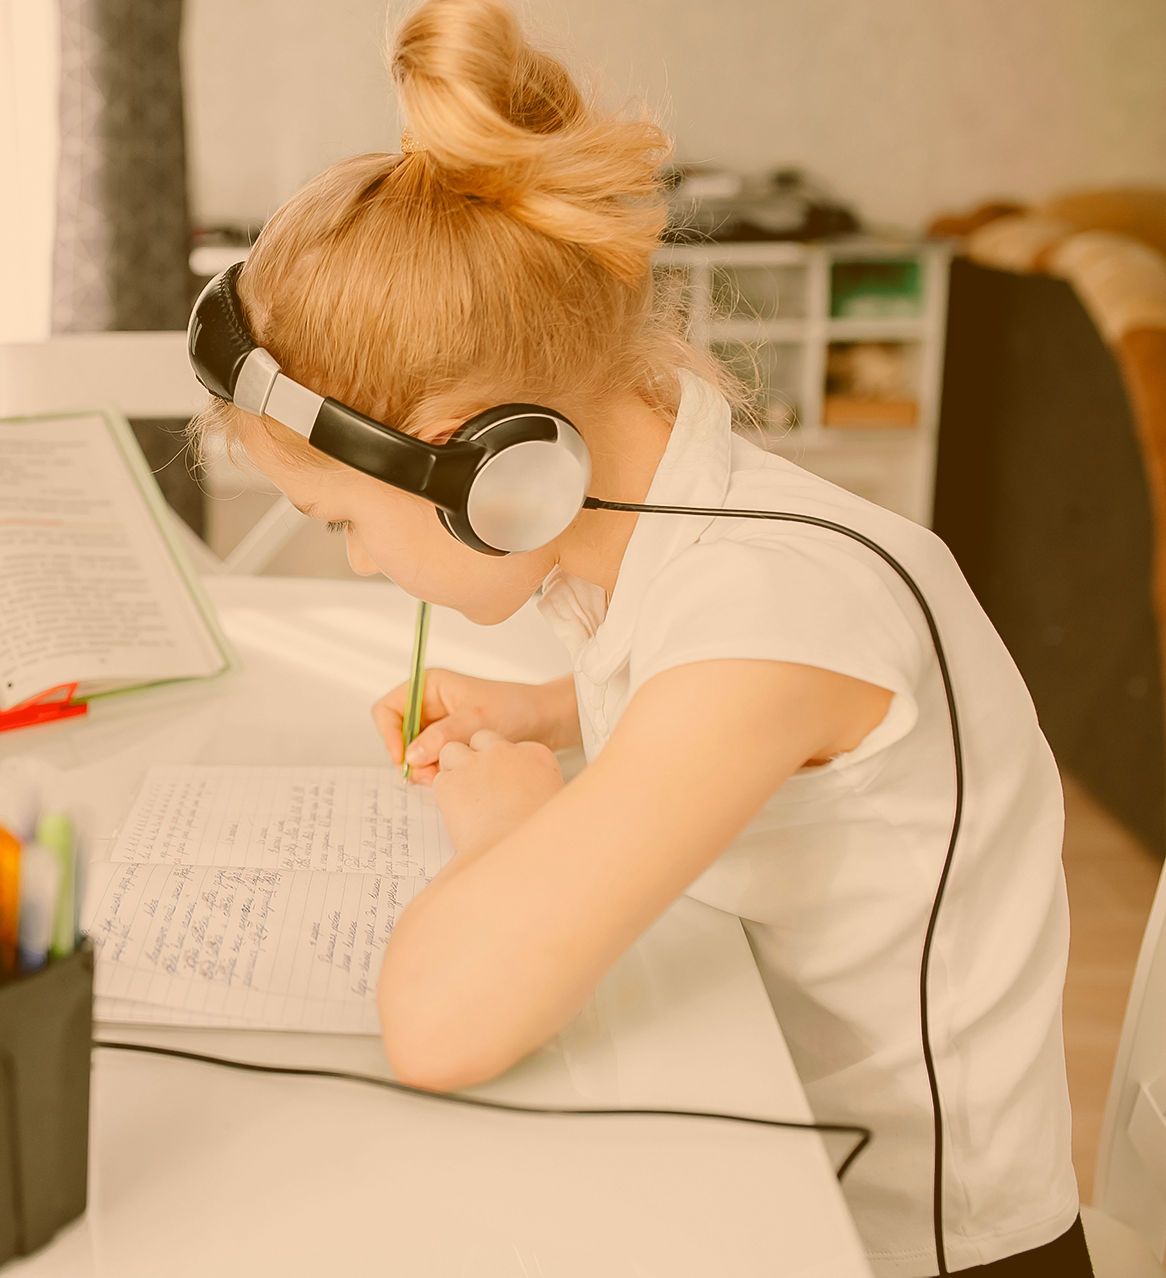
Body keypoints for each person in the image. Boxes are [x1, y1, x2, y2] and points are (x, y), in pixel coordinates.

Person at [192, 2, 1081, 1274]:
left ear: (474, 459)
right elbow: (737, 718)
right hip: (769, 1157)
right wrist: (550, 714)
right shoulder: (665, 537)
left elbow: (443, 1029)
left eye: (339, 519)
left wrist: (511, 830)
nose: (358, 558)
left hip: (899, 1245)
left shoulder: (770, 620)